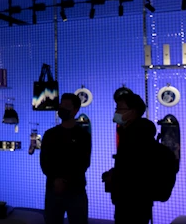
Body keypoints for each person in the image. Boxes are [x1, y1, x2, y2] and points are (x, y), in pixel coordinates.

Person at [102, 93, 156, 224]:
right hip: (130, 201)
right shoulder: (131, 133)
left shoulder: (136, 137)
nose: (116, 112)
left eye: (120, 109)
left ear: (132, 112)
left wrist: (114, 178)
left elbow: (136, 172)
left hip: (133, 203)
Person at [40, 93, 91, 224]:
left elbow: (83, 162)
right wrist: (56, 180)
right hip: (53, 191)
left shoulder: (83, 136)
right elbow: (45, 162)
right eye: (61, 105)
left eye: (66, 106)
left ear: (75, 110)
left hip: (76, 190)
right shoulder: (50, 134)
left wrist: (64, 180)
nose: (62, 108)